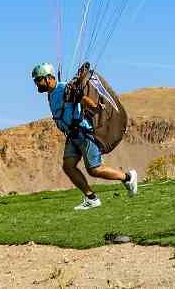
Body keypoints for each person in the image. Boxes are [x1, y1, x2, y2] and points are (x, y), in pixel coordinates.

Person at [30, 63, 140, 209]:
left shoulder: (64, 88)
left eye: (38, 80)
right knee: (68, 166)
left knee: (94, 169)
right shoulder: (50, 94)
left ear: (49, 78)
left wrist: (94, 107)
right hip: (72, 135)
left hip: (83, 133)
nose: (36, 83)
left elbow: (82, 98)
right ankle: (91, 198)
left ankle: (128, 177)